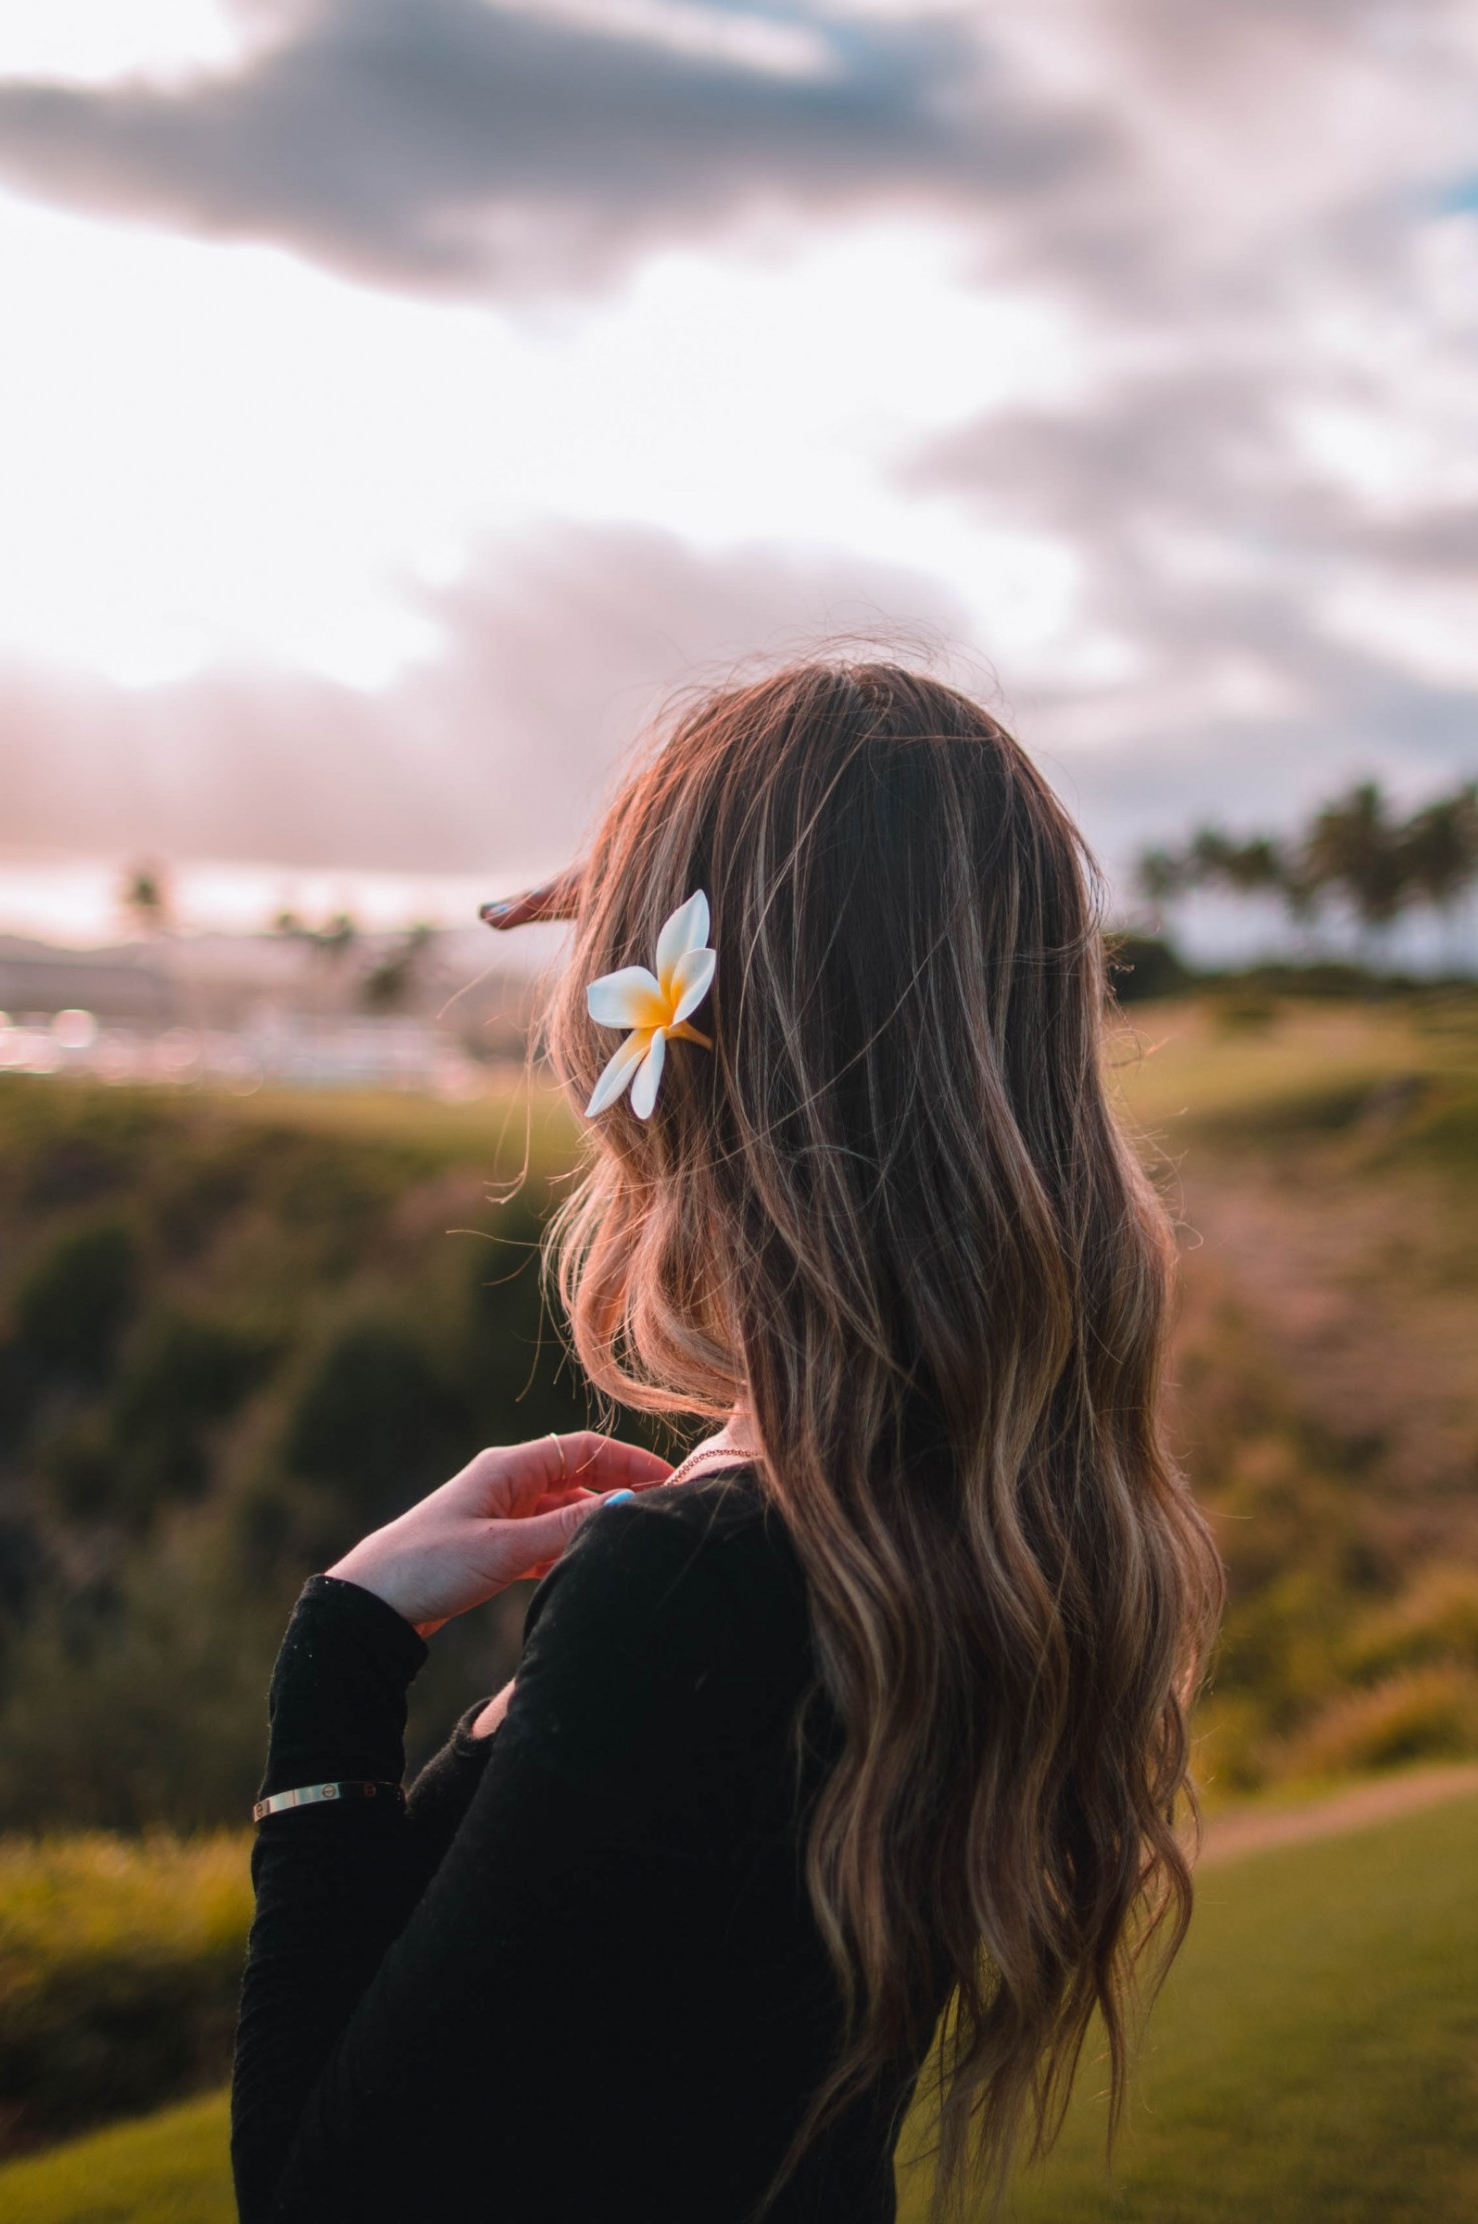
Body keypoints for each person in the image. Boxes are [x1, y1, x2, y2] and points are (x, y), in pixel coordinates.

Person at [230, 662, 1224, 2223]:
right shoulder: (963, 1516)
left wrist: (339, 1661)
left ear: (689, 1050)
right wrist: (679, 894)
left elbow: (319, 2198)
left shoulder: (695, 1594)